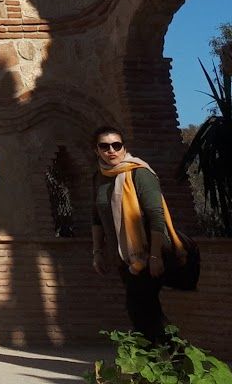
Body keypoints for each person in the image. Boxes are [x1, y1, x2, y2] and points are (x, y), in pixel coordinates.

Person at [91, 125, 185, 341]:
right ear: (96, 150)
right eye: (104, 146)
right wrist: (97, 251)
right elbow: (96, 217)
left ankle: (169, 358)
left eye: (116, 145)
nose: (111, 150)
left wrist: (155, 255)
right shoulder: (99, 177)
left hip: (150, 251)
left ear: (124, 147)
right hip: (124, 257)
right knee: (145, 309)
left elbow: (156, 215)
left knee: (140, 309)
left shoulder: (139, 173)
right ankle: (168, 360)